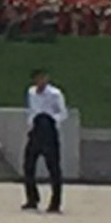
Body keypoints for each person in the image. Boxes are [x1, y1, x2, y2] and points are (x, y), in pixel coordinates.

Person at [23, 68, 68, 213]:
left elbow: (63, 112)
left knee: (53, 168)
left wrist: (52, 121)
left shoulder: (55, 94)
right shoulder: (31, 92)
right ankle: (32, 198)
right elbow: (31, 109)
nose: (40, 82)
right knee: (28, 165)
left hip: (48, 129)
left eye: (42, 79)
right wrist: (31, 124)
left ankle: (55, 202)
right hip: (35, 129)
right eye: (37, 79)